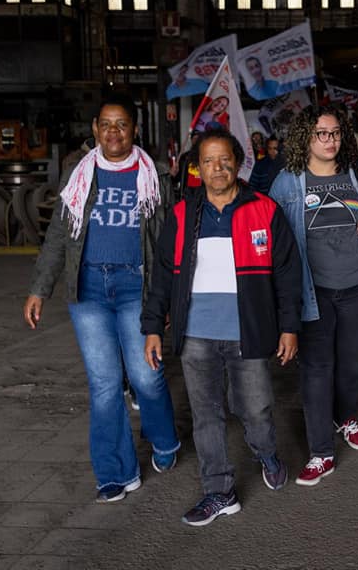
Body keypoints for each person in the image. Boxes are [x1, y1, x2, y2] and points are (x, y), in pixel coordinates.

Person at [23, 93, 180, 503]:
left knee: (147, 376)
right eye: (106, 124)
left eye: (122, 124)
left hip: (136, 286)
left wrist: (165, 299)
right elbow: (59, 234)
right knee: (106, 384)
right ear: (95, 128)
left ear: (134, 129)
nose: (113, 132)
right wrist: (41, 287)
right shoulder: (78, 173)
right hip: (88, 288)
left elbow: (168, 243)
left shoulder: (157, 175)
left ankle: (165, 439)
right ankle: (115, 472)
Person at [141, 131, 303, 527]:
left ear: (238, 161)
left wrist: (289, 327)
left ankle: (265, 451)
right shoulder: (182, 214)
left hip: (247, 331)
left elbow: (286, 273)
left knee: (255, 407)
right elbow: (162, 275)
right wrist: (152, 328)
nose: (218, 167)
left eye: (225, 159)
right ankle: (219, 491)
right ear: (197, 167)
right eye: (209, 161)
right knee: (206, 416)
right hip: (196, 334)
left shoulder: (264, 209)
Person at [269, 103, 358, 487]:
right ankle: (321, 452)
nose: (330, 140)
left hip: (357, 287)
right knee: (317, 371)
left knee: (352, 366)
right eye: (322, 133)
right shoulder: (288, 181)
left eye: (336, 133)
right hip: (312, 293)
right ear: (306, 137)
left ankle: (347, 417)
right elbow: (273, 231)